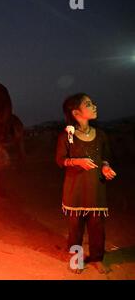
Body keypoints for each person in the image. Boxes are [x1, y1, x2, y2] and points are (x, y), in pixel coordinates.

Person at [56, 93, 116, 274]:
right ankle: (76, 258)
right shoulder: (66, 136)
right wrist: (77, 162)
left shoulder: (101, 135)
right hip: (75, 191)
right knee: (75, 229)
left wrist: (105, 167)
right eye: (88, 104)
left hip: (96, 189)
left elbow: (106, 157)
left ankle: (97, 258)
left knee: (97, 227)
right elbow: (60, 160)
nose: (94, 106)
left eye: (92, 103)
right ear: (76, 112)